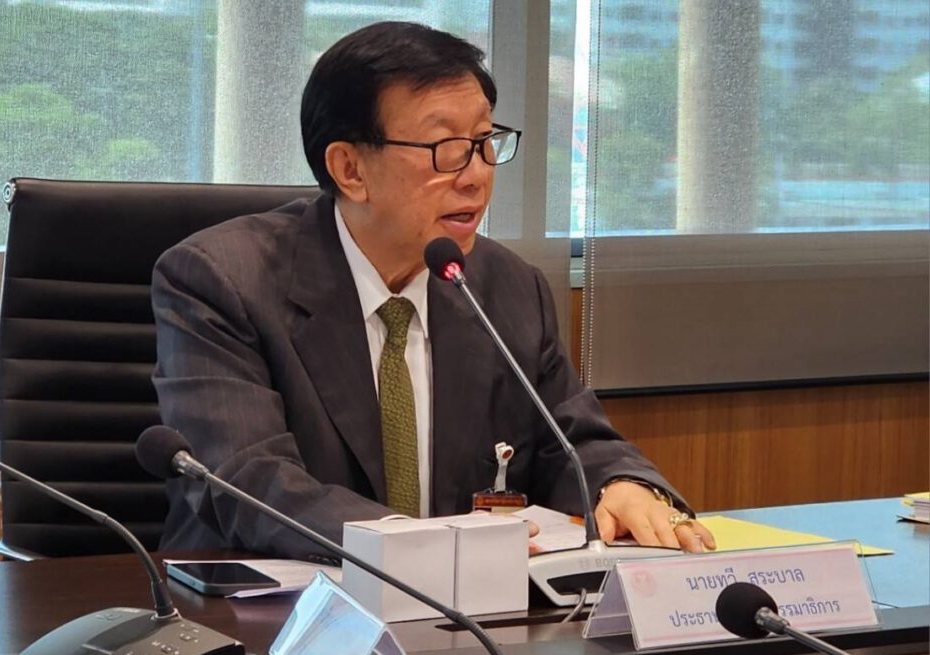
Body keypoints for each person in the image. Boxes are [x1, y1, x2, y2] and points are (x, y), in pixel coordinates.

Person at [151, 21, 715, 560]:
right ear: (350, 169)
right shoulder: (224, 280)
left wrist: (621, 483)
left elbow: (573, 440)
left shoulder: (507, 287)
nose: (476, 175)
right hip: (268, 605)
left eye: (484, 141)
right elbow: (248, 479)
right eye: (445, 148)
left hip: (472, 605)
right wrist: (416, 546)